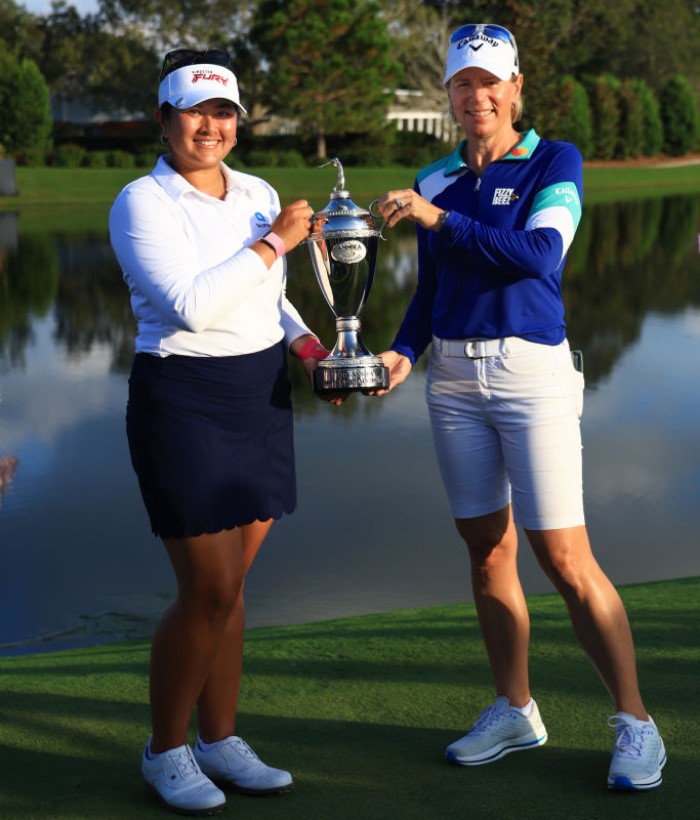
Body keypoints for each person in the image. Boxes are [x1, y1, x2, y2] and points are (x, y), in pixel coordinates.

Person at [372, 23, 666, 791]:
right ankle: (516, 707)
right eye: (462, 83)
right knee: (486, 550)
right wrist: (404, 351)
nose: (477, 95)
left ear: (516, 87)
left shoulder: (553, 161)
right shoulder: (434, 175)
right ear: (448, 94)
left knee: (564, 558)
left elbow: (541, 255)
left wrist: (439, 220)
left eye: (489, 81)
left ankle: (636, 722)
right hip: (455, 382)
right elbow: (431, 289)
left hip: (532, 373)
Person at [109, 49, 330, 816]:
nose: (211, 126)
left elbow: (273, 296)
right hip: (184, 397)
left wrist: (308, 348)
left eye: (225, 112)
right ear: (166, 120)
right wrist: (275, 241)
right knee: (206, 587)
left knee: (233, 589)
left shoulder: (259, 192)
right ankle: (164, 750)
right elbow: (191, 306)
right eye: (195, 112)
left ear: (240, 119)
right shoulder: (143, 201)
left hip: (259, 393)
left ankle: (220, 738)